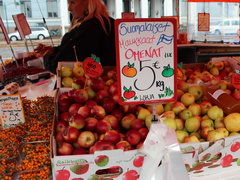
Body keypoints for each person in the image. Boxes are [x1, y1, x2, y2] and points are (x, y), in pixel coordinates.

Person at [42, 0, 116, 74]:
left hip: (85, 82)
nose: (69, 8)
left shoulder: (88, 28)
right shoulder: (111, 23)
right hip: (109, 80)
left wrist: (47, 55)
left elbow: (58, 65)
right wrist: (54, 50)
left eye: (72, 2)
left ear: (88, 4)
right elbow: (79, 51)